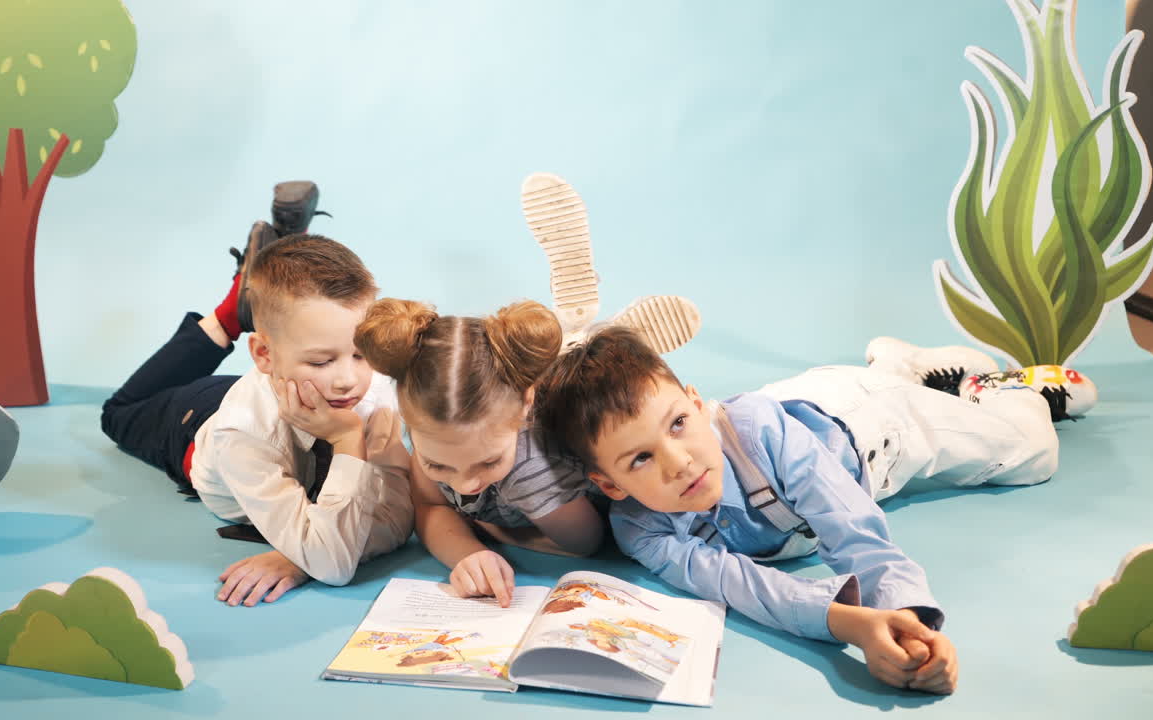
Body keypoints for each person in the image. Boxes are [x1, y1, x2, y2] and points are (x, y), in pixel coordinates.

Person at [532, 327, 1065, 694]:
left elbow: (852, 531)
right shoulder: (640, 530)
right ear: (610, 484)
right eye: (641, 458)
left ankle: (990, 389)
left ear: (697, 404)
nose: (679, 462)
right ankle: (905, 365)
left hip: (869, 424)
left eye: (678, 424)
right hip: (806, 397)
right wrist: (857, 625)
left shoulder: (759, 432)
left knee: (1034, 452)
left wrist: (909, 618)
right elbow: (744, 586)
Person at [101, 193, 413, 607]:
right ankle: (229, 314)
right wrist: (347, 442)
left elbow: (399, 518)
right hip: (193, 422)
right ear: (264, 354)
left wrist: (301, 556)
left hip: (278, 386)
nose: (347, 380)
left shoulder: (374, 389)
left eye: (361, 354)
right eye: (321, 361)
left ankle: (254, 303)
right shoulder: (241, 432)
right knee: (118, 414)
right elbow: (335, 565)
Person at [353, 298, 604, 608]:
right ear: (407, 419)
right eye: (438, 466)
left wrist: (485, 529)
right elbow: (428, 506)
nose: (465, 485)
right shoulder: (432, 433)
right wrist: (469, 553)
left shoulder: (530, 469)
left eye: (489, 462)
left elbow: (584, 542)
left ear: (526, 403)